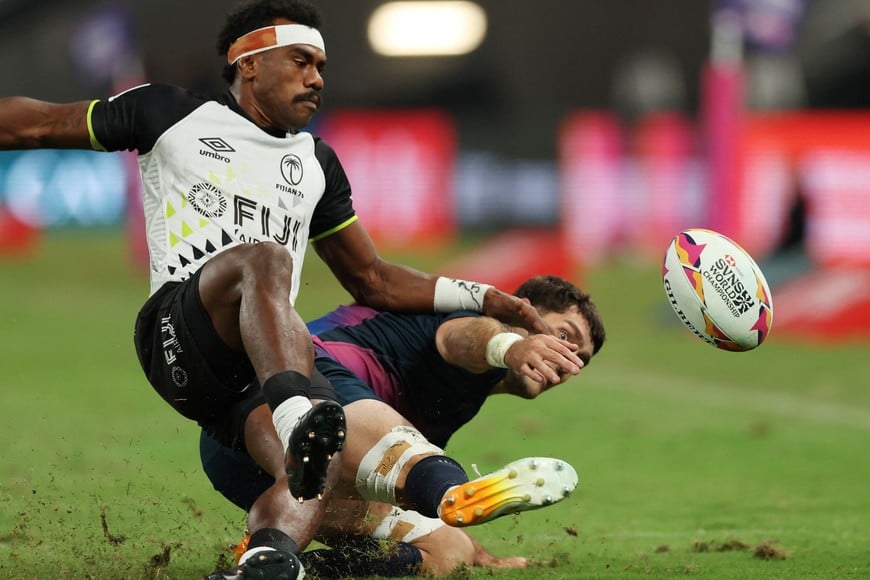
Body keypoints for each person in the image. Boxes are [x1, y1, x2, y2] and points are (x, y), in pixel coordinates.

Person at [0, 1, 580, 578]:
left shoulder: (317, 163)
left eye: (321, 66)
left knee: (312, 472)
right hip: (181, 334)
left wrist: (481, 296)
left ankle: (270, 562)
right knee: (265, 260)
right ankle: (302, 416)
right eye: (301, 61)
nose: (317, 78)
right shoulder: (170, 112)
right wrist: (297, 404)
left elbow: (372, 279)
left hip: (260, 370)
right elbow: (35, 124)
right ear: (249, 64)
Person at [200, 275, 606, 577]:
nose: (567, 358)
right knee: (410, 461)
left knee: (446, 550)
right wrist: (511, 346)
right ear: (526, 309)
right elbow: (467, 338)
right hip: (288, 395)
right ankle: (449, 489)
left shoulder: (464, 400)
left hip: (253, 474)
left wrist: (476, 550)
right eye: (564, 335)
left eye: (579, 359)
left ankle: (279, 569)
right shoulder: (470, 319)